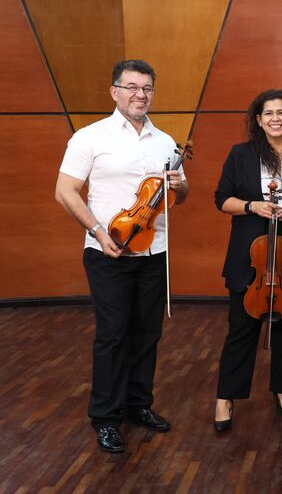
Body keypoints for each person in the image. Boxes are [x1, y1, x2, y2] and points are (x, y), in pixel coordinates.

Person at [55, 59, 189, 453]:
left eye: (146, 88)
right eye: (131, 87)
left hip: (154, 251)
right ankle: (106, 417)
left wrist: (180, 186)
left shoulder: (165, 141)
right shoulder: (89, 137)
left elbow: (179, 198)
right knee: (113, 336)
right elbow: (65, 191)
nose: (140, 94)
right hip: (107, 251)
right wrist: (97, 231)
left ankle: (138, 405)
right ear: (115, 92)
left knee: (148, 334)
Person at [212, 89, 282, 430]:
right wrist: (252, 206)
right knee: (242, 329)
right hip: (252, 249)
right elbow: (221, 199)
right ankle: (225, 398)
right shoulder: (241, 155)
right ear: (258, 121)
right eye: (268, 113)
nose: (275, 118)